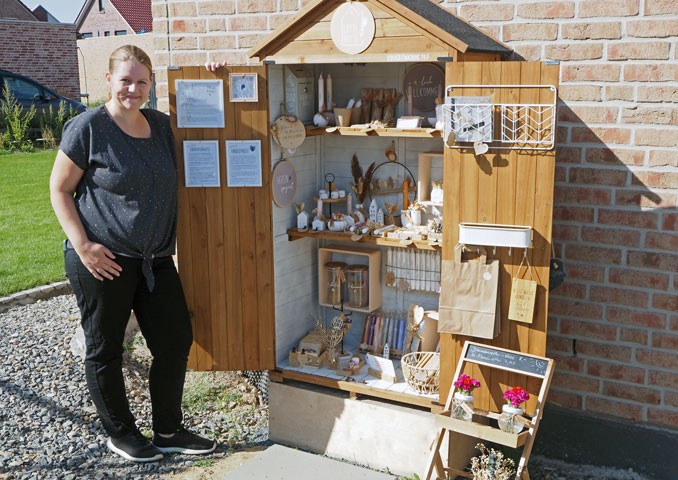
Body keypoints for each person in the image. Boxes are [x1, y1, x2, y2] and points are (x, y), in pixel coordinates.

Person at [50, 45, 218, 463]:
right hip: (102, 260)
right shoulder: (88, 127)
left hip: (154, 259)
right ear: (108, 80)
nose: (134, 88)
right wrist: (84, 246)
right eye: (126, 79)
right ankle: (121, 433)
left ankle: (168, 430)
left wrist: (219, 80)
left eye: (142, 81)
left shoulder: (161, 126)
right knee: (105, 348)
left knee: (175, 340)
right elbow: (59, 189)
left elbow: (214, 123)